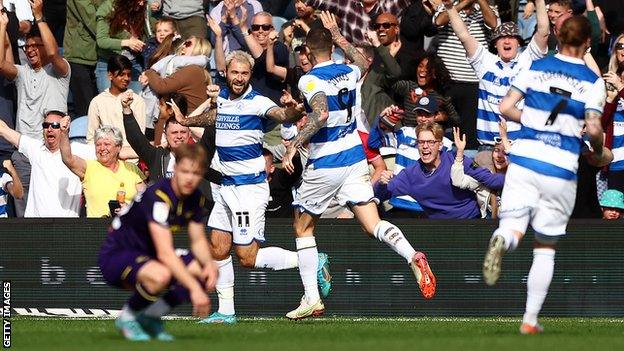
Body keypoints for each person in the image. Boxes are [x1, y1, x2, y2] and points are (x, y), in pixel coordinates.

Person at [281, 12, 436, 320]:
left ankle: (313, 298)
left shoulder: (309, 79)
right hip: (355, 158)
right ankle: (411, 255)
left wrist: (295, 143)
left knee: (302, 227)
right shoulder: (349, 70)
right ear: (333, 47)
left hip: (326, 161)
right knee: (372, 224)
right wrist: (339, 34)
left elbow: (321, 114)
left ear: (309, 53)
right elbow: (365, 63)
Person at [172, 50, 331, 324]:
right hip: (226, 187)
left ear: (249, 75)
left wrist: (294, 108)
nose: (239, 78)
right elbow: (214, 118)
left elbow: (282, 113)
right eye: (235, 72)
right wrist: (186, 121)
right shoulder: (222, 100)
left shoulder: (258, 102)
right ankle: (226, 312)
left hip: (249, 189)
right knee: (219, 248)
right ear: (227, 73)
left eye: (244, 73)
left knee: (247, 257)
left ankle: (310, 260)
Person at [482, 15, 612, 334]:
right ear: (587, 43)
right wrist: (595, 147)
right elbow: (594, 128)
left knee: (513, 226)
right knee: (545, 245)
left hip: (525, 157)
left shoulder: (534, 68)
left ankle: (501, 239)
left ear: (558, 37)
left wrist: (533, 122)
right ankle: (529, 320)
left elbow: (506, 107)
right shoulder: (592, 82)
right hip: (560, 166)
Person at [98, 143, 219, 341]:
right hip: (117, 256)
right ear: (175, 168)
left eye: (196, 173)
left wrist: (209, 265)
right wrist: (195, 290)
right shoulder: (158, 197)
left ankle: (150, 316)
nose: (190, 178)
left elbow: (197, 240)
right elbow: (165, 253)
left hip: (148, 256)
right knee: (161, 274)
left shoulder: (195, 199)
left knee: (203, 271)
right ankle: (127, 318)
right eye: (185, 171)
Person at [441, 0, 549, 148]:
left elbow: (543, 31)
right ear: (495, 43)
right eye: (502, 38)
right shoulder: (485, 62)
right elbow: (463, 35)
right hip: (488, 146)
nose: (507, 41)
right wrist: (449, 8)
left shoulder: (528, 60)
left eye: (511, 37)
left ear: (519, 43)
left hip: (520, 145)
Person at [0, 1, 70, 217]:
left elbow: (53, 52)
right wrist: (2, 26)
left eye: (34, 46)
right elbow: (1, 64)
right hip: (23, 153)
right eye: (26, 47)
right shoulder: (22, 73)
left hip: (51, 150)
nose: (30, 50)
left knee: (52, 210)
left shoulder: (60, 71)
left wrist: (38, 17)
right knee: (24, 214)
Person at [374, 122, 504, 219]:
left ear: (440, 145)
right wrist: (381, 183)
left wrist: (518, 177)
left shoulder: (456, 159)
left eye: (430, 142)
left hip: (471, 221)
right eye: (421, 142)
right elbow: (380, 195)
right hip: (438, 228)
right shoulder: (410, 175)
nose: (425, 147)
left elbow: (491, 180)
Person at [0, 111, 94, 217]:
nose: (49, 129)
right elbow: (3, 129)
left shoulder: (79, 150)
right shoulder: (36, 148)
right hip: (35, 224)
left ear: (65, 127)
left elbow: (109, 149)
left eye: (55, 126)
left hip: (67, 226)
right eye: (46, 125)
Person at [60, 121, 146, 217]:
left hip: (126, 227)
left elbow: (147, 201)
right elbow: (67, 158)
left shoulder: (131, 169)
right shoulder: (89, 168)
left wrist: (129, 208)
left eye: (107, 144)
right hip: (97, 229)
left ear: (118, 147)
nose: (102, 148)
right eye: (98, 144)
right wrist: (64, 133)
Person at [87, 54, 147, 151]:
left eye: (129, 75)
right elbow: (91, 137)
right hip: (105, 156)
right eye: (121, 74)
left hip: (131, 158)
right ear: (110, 75)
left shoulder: (137, 101)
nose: (126, 78)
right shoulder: (97, 102)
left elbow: (140, 136)